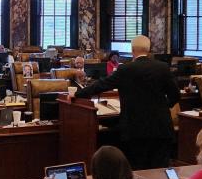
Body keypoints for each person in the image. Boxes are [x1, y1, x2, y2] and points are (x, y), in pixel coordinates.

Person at [75, 35, 180, 170]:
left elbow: (101, 85)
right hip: (161, 128)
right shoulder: (162, 68)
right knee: (160, 170)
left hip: (135, 129)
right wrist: (163, 106)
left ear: (132, 50)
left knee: (138, 170)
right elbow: (175, 95)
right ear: (149, 49)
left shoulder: (125, 69)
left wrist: (77, 93)